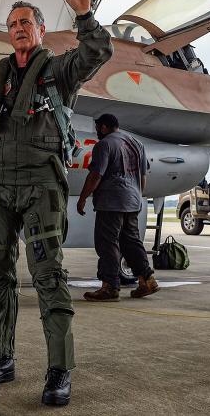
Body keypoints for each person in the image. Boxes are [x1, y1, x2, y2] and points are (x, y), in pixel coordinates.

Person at [0, 0, 113, 407]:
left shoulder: (58, 72)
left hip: (42, 186)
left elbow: (97, 53)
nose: (18, 29)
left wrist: (85, 14)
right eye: (13, 24)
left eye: (26, 23)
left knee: (48, 276)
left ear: (40, 29)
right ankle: (0, 360)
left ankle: (59, 371)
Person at [76, 113, 158, 301]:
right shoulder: (137, 144)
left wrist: (82, 199)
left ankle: (110, 287)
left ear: (104, 127)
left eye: (98, 128)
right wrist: (137, 196)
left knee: (107, 243)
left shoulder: (104, 145)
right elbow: (143, 176)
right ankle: (147, 279)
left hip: (111, 202)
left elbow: (95, 175)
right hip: (133, 200)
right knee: (131, 241)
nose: (97, 132)